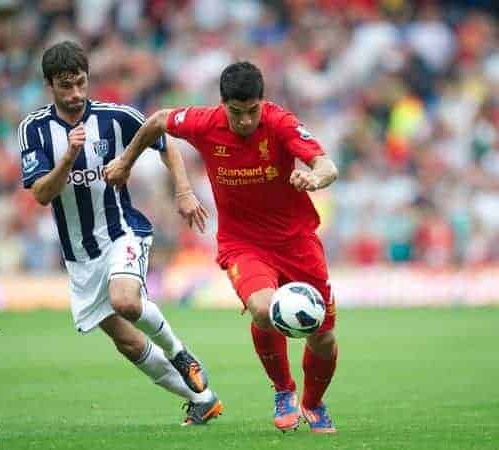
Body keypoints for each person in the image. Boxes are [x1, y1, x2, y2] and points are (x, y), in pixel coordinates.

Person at [104, 61, 339, 433]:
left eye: (252, 111)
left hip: (297, 241)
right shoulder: (203, 122)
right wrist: (125, 161)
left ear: (262, 103)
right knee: (263, 310)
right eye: (236, 112)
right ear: (222, 104)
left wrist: (313, 177)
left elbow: (327, 165)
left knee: (323, 335)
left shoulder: (279, 123)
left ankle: (314, 403)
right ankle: (284, 390)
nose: (245, 120)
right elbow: (157, 120)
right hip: (242, 243)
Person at [18, 40, 222, 426]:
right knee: (126, 341)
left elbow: (164, 141)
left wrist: (182, 190)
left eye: (81, 83)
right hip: (79, 256)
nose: (76, 93)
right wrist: (67, 159)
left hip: (121, 231)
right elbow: (42, 194)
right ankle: (203, 399)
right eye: (66, 86)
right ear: (50, 85)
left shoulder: (116, 116)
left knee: (126, 301)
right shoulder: (34, 131)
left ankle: (180, 353)